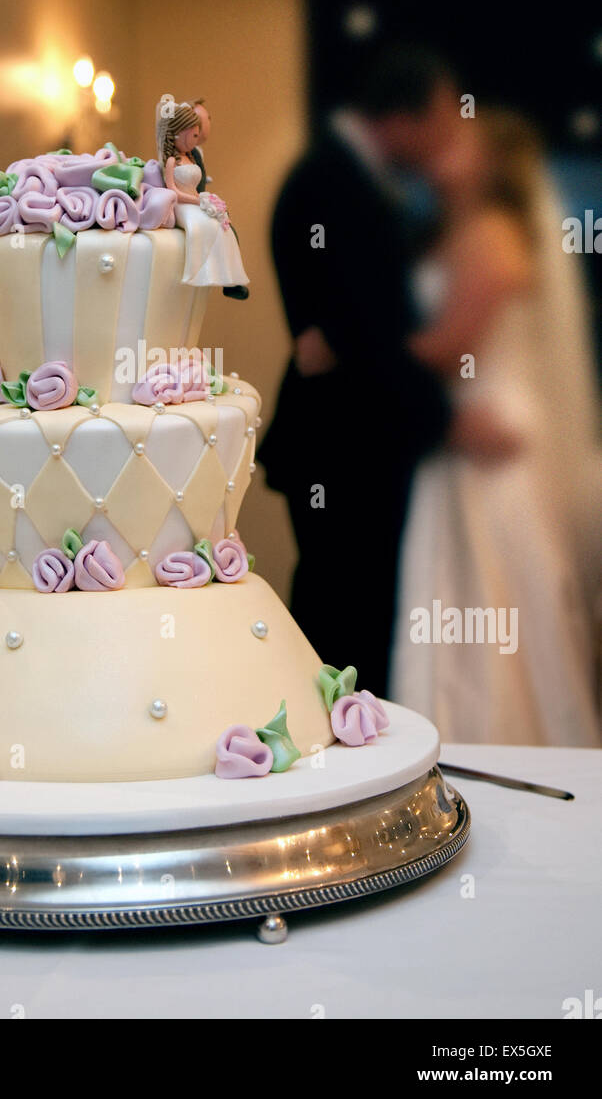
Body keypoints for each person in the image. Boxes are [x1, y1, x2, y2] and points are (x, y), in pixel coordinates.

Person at [260, 46, 516, 695]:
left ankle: (351, 745)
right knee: (344, 616)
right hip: (346, 446)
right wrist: (448, 422)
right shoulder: (328, 182)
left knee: (358, 613)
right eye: (442, 120)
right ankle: (331, 761)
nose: (447, 140)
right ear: (406, 116)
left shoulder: (357, 179)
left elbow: (359, 333)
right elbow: (368, 333)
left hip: (366, 438)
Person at [390, 110, 602, 743]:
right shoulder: (455, 231)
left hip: (487, 431)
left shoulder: (492, 234)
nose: (449, 151)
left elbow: (455, 348)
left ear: (491, 164)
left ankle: (494, 736)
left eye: (466, 144)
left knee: (498, 586)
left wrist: (362, 345)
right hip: (466, 427)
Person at [156, 97, 250, 295]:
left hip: (195, 200)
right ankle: (201, 273)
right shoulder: (172, 161)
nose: (195, 139)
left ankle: (229, 277)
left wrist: (208, 200)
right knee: (204, 225)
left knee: (222, 222)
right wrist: (197, 200)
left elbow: (198, 185)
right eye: (193, 135)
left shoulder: (191, 157)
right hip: (182, 204)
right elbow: (172, 190)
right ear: (179, 134)